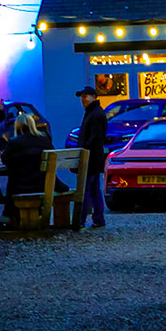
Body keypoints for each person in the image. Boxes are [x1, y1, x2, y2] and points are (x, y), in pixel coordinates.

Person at [0, 112, 51, 221]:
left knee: (13, 176)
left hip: (22, 186)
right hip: (44, 184)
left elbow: (5, 160)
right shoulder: (44, 140)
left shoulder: (15, 143)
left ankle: (8, 215)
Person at [74, 87, 109, 229]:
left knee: (86, 189)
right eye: (82, 97)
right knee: (93, 189)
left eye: (85, 96)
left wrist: (84, 149)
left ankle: (81, 219)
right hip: (94, 157)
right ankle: (97, 218)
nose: (83, 99)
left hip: (90, 158)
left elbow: (95, 137)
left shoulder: (94, 114)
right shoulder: (95, 112)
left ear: (94, 97)